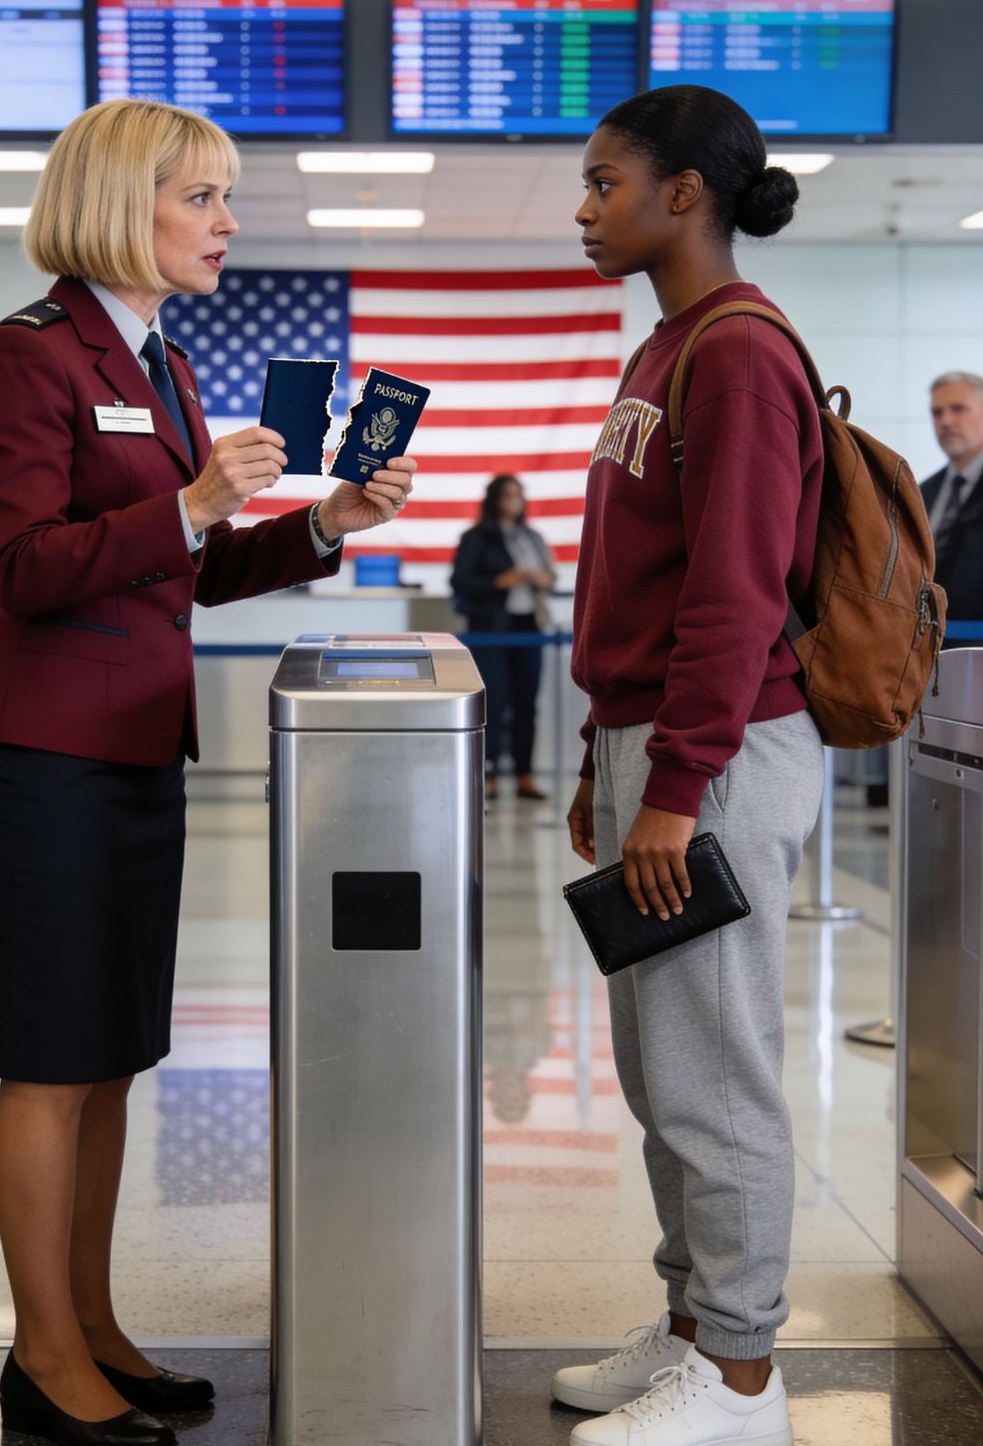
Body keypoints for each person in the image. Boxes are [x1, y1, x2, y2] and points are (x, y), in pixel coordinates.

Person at [0, 98, 417, 1446]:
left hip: (134, 751)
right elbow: (26, 565)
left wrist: (319, 522)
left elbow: (190, 567)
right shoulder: (23, 359)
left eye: (226, 197)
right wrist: (195, 501)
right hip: (39, 757)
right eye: (202, 197)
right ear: (119, 203)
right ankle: (42, 1355)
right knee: (46, 1062)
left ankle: (87, 1324)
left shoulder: (158, 361)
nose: (227, 222)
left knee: (104, 1060)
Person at [554, 85, 825, 1446]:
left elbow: (732, 592)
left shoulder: (739, 352)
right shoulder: (663, 348)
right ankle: (688, 1328)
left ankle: (742, 1380)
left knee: (716, 1072)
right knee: (664, 1070)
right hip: (656, 742)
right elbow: (637, 580)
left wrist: (672, 783)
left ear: (687, 194)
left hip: (718, 752)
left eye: (607, 181)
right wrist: (613, 762)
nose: (585, 207)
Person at [450, 475, 556, 800]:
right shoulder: (476, 538)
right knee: (493, 702)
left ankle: (525, 774)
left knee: (527, 703)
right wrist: (500, 581)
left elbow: (550, 575)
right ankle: (490, 773)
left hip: (529, 626)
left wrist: (542, 579)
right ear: (495, 498)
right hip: (491, 628)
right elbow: (461, 582)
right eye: (508, 495)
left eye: (519, 495)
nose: (514, 501)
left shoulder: (532, 537)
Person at [922, 371, 983, 644]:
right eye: (937, 412)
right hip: (930, 653)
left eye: (958, 409)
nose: (945, 421)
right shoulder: (922, 492)